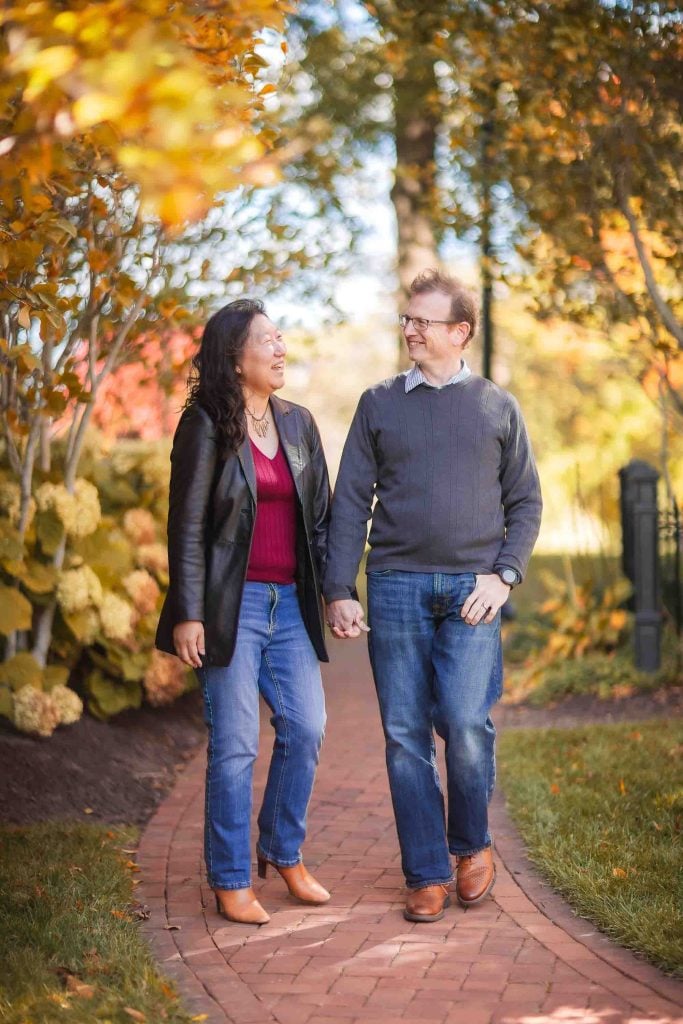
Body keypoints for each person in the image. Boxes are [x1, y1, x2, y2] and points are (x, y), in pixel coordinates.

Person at [324, 269, 542, 923]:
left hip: (473, 591)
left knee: (466, 725)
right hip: (393, 587)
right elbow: (349, 502)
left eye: (423, 320)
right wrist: (339, 587)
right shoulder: (378, 403)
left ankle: (470, 845)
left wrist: (502, 576)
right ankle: (424, 870)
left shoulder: (495, 407)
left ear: (459, 332)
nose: (410, 330)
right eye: (407, 320)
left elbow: (525, 502)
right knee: (403, 734)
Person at [156, 299, 331, 925]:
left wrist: (338, 594)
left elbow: (322, 519)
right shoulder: (206, 423)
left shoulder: (299, 423)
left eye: (282, 337)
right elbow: (188, 524)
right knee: (235, 746)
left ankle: (283, 851)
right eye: (268, 340)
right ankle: (230, 877)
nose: (281, 348)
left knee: (306, 727)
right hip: (232, 606)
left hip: (289, 606)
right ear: (236, 356)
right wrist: (188, 610)